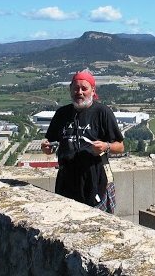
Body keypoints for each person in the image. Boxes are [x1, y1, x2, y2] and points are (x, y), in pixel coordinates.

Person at [41, 70, 124, 213]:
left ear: (93, 90)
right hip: (66, 181)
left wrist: (106, 146)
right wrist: (47, 148)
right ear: (70, 90)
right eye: (75, 88)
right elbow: (52, 143)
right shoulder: (62, 114)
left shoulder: (102, 112)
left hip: (96, 180)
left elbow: (121, 146)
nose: (79, 92)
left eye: (84, 88)